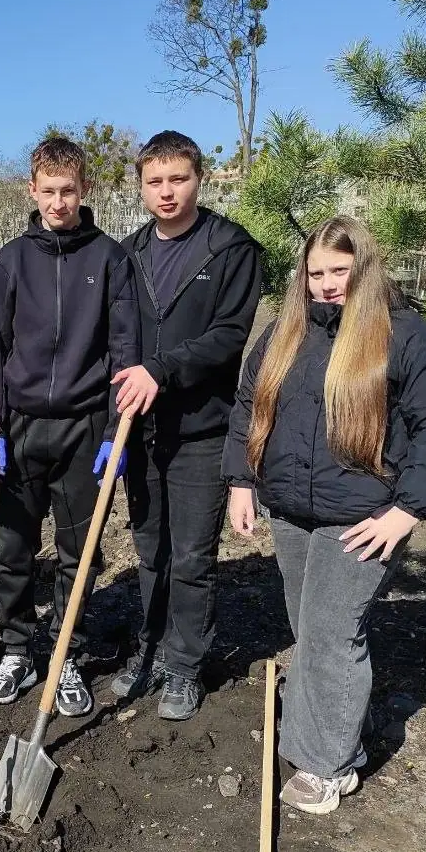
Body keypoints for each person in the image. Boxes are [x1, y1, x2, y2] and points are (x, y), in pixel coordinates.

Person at [223, 216, 426, 814]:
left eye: (339, 271)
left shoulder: (403, 335)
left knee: (329, 630)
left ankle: (329, 766)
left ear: (363, 269)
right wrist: (242, 481)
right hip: (292, 510)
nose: (325, 284)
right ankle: (340, 720)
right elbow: (249, 406)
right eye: (315, 272)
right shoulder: (284, 334)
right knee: (309, 624)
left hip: (364, 516)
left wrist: (408, 511)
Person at [0, 135, 139, 717]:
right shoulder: (9, 260)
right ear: (32, 190)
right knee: (13, 547)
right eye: (48, 191)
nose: (58, 202)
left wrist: (112, 432)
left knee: (80, 551)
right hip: (18, 428)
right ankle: (18, 648)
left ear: (84, 189)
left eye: (68, 190)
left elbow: (124, 350)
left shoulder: (110, 259)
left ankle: (63, 652)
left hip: (84, 426)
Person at [111, 130, 262, 720]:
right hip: (141, 429)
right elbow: (118, 340)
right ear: (142, 186)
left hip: (201, 429)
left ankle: (184, 665)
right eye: (155, 181)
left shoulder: (230, 250)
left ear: (199, 179)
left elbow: (228, 338)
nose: (167, 192)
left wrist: (161, 370)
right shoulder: (129, 254)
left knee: (193, 556)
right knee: (151, 550)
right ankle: (147, 649)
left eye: (178, 179)